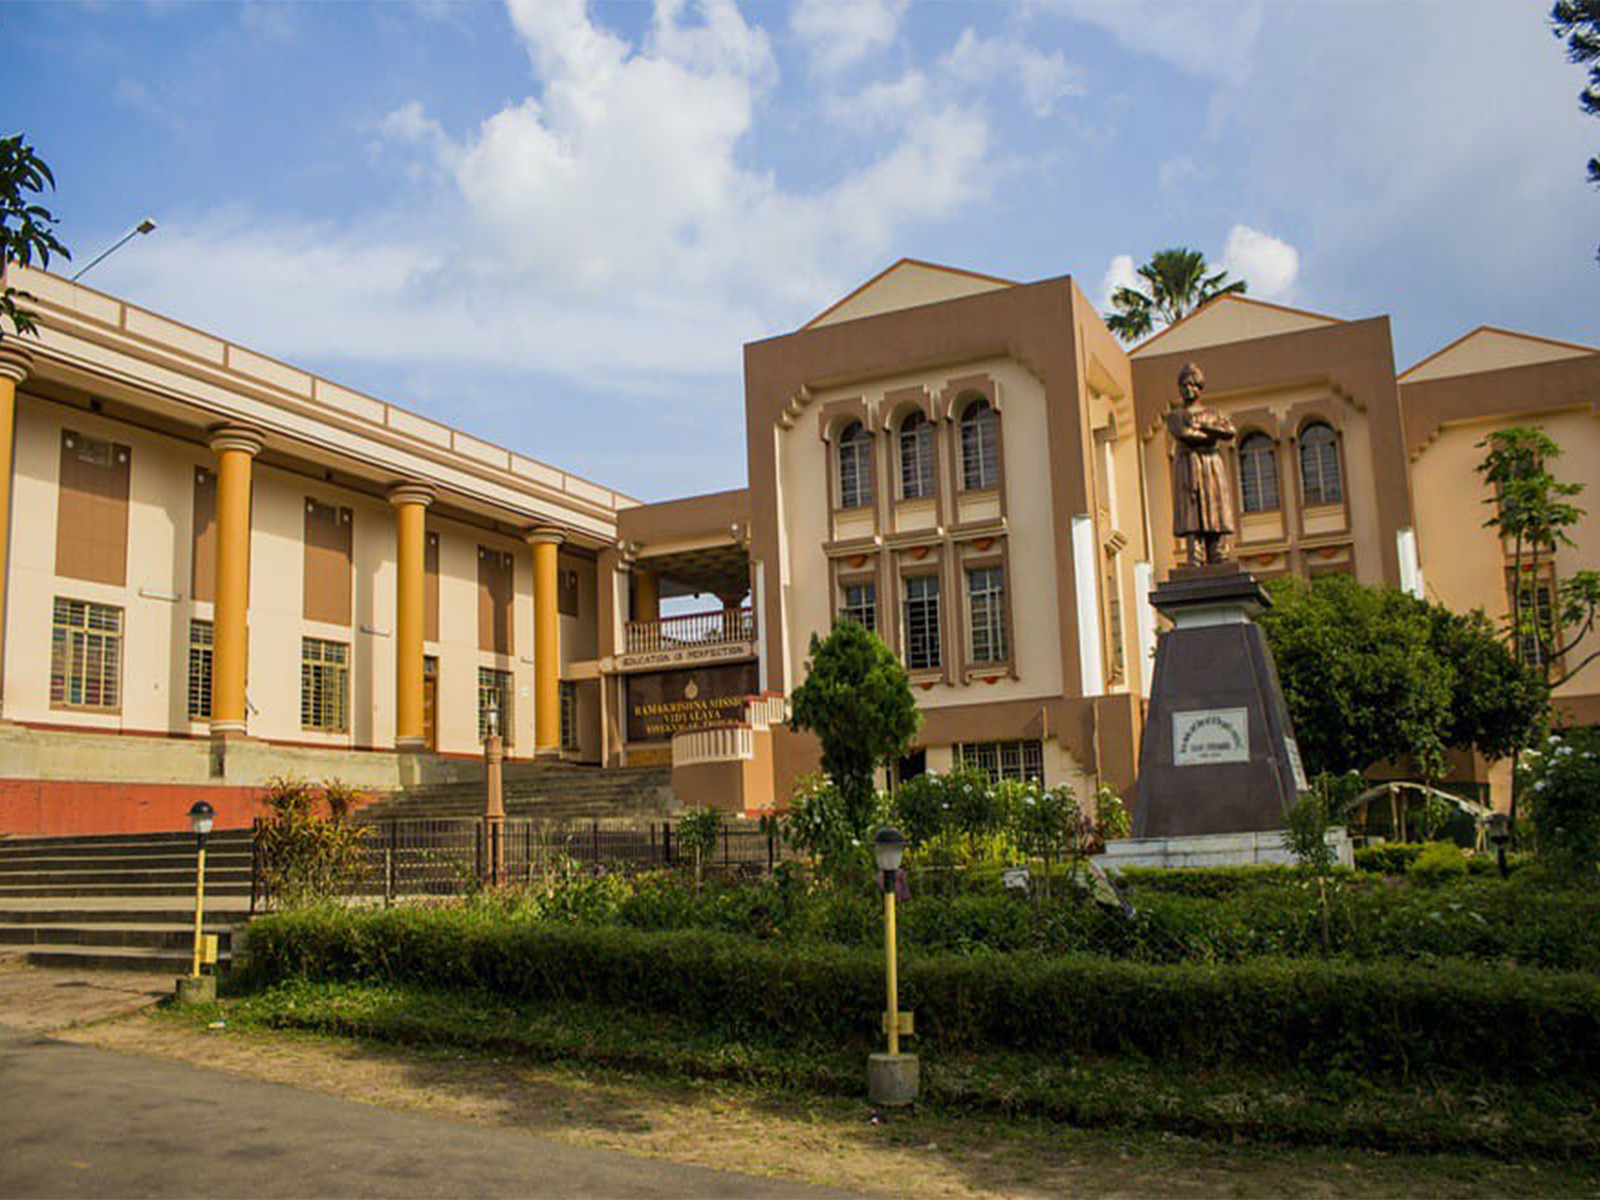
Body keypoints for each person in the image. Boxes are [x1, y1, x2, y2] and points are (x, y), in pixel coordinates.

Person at [1166, 362, 1236, 567]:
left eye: (1192, 385)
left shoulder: (1214, 413)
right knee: (1191, 509)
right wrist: (1211, 434)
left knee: (1214, 507)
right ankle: (1194, 554)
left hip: (1211, 465)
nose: (1188, 389)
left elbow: (1229, 431)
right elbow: (1184, 434)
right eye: (1184, 385)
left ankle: (1216, 552)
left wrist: (1204, 426)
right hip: (1189, 465)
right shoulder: (1175, 416)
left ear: (1200, 387)